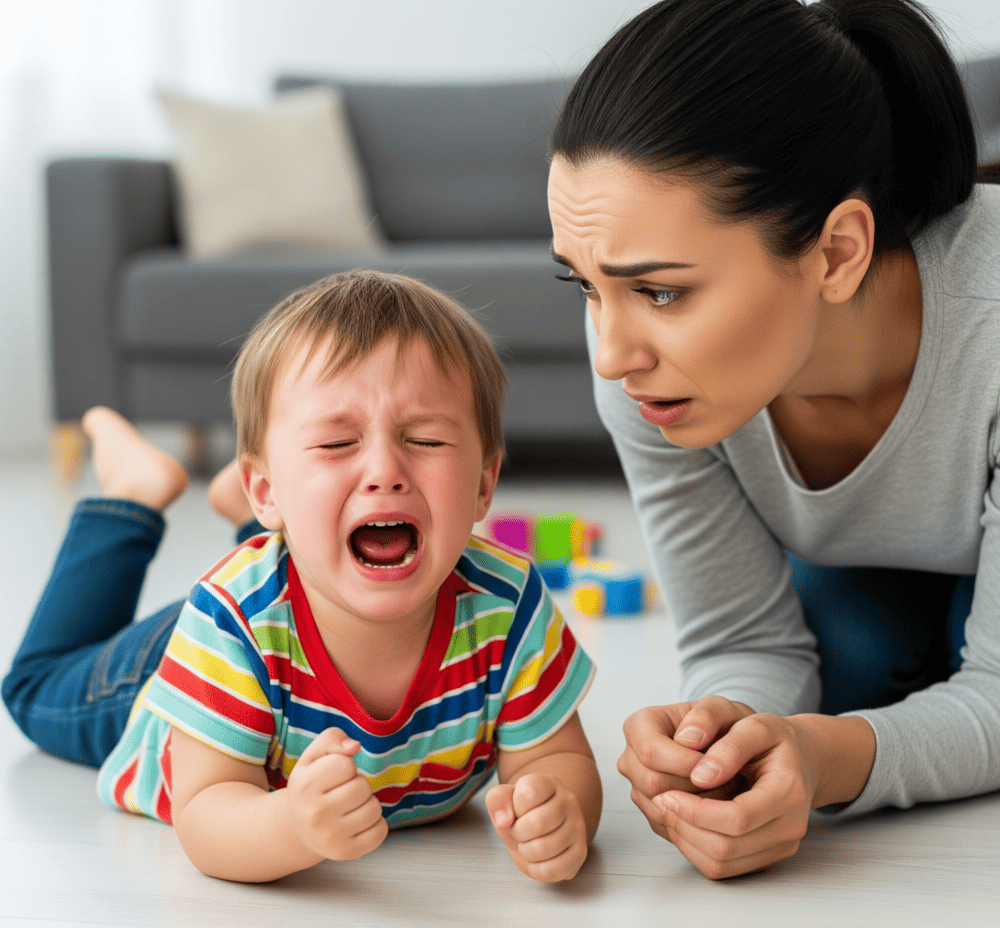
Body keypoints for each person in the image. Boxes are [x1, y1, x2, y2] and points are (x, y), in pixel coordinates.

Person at [547, 0, 1000, 880]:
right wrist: (721, 743)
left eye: (659, 292)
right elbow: (744, 642)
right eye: (583, 285)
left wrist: (821, 760)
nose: (611, 357)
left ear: (837, 252)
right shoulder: (640, 357)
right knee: (856, 657)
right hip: (880, 567)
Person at [2, 270, 601, 884]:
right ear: (266, 488)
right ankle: (133, 494)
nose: (385, 470)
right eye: (337, 443)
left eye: (424, 439)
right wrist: (292, 825)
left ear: (483, 484)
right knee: (34, 687)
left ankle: (272, 515)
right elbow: (206, 815)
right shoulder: (228, 621)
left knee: (325, 542)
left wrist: (561, 811)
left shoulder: (509, 605)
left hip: (293, 604)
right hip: (195, 674)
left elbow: (559, 757)